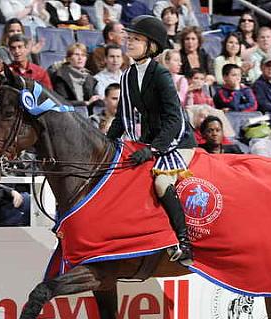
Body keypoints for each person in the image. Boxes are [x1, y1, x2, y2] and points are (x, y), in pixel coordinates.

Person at [106, 15, 197, 265]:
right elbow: (122, 118)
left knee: (161, 182)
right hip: (148, 141)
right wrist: (104, 144)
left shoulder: (161, 75)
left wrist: (154, 149)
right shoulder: (126, 76)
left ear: (152, 46)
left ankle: (184, 243)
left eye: (136, 39)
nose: (129, 43)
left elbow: (174, 119)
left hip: (177, 141)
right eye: (129, 38)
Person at [52, 43, 100, 109]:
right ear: (68, 58)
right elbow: (61, 101)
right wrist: (85, 103)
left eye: (83, 55)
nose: (80, 58)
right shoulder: (60, 76)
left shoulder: (90, 78)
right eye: (76, 55)